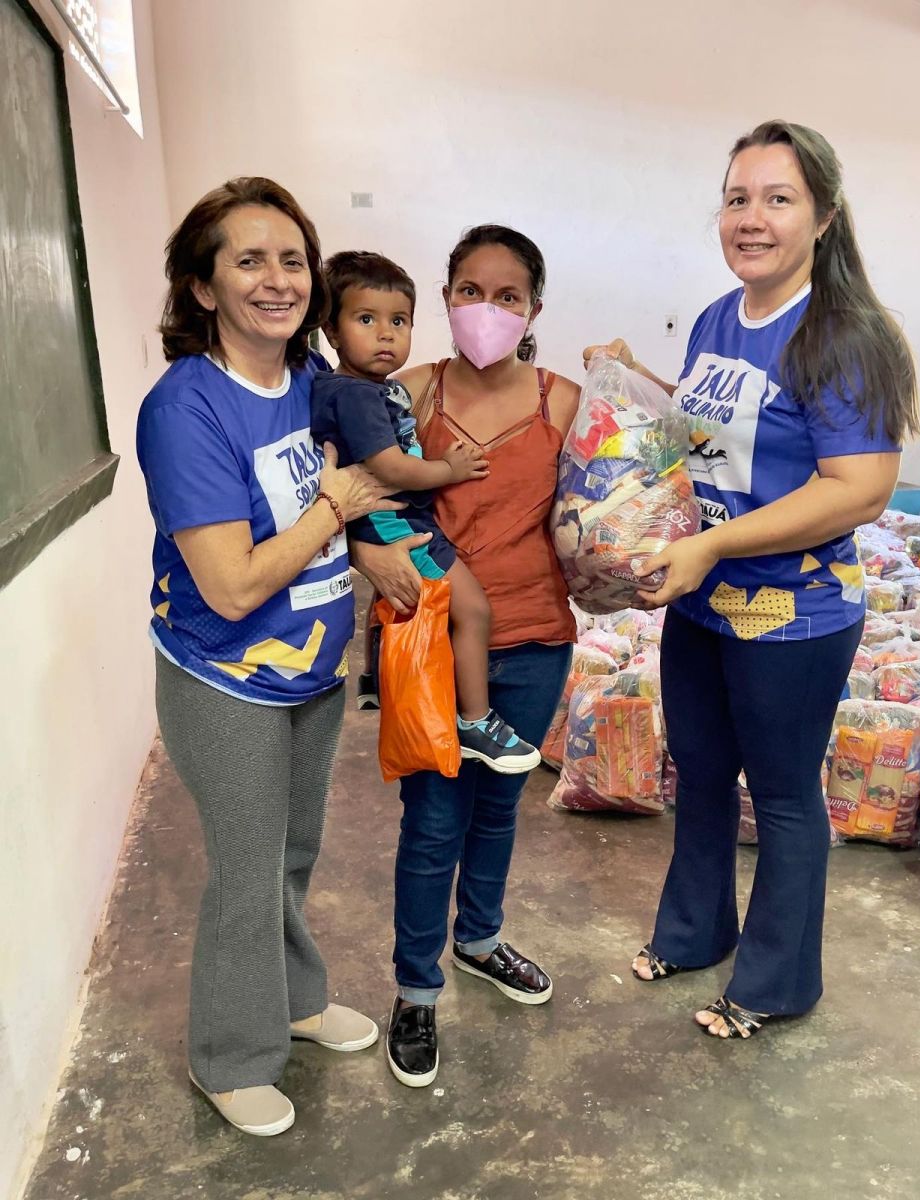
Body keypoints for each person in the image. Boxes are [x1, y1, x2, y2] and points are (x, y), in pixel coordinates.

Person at [585, 120, 919, 1039]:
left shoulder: (847, 337)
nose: (751, 218)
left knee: (780, 796)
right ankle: (694, 934)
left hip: (793, 614)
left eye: (778, 199)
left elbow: (860, 489)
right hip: (702, 599)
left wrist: (712, 548)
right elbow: (712, 436)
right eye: (738, 198)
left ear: (824, 216)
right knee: (698, 774)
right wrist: (637, 380)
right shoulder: (717, 318)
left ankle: (777, 982)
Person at [136, 177, 400, 1135]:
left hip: (314, 671)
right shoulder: (187, 409)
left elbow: (350, 513)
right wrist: (337, 506)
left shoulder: (312, 381)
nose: (278, 279)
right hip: (227, 680)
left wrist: (373, 548)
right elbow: (232, 585)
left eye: (293, 259)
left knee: (291, 854)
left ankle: (291, 1000)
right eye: (249, 260)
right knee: (246, 873)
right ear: (203, 286)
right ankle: (229, 1055)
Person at [349, 225, 581, 1086]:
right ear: (446, 298)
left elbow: (633, 476)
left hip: (536, 636)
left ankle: (479, 939)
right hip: (431, 640)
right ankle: (416, 990)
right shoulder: (406, 395)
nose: (488, 309)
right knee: (433, 821)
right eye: (470, 291)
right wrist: (363, 556)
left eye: (508, 296)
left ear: (534, 310)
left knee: (498, 809)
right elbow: (341, 496)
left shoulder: (564, 402)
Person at [311, 251, 542, 773]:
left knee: (405, 602)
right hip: (400, 525)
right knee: (472, 610)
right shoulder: (357, 396)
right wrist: (448, 469)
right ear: (331, 330)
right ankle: (476, 721)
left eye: (399, 321)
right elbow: (390, 469)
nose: (385, 334)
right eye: (366, 319)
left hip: (392, 522)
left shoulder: (364, 389)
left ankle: (374, 679)